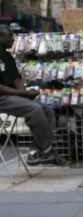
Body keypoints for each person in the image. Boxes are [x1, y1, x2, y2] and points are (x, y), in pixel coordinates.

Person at [0, 25, 65, 166]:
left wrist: (25, 93)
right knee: (34, 109)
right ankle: (48, 149)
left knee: (48, 111)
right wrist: (22, 93)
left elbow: (16, 79)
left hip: (13, 96)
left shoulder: (7, 57)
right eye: (9, 36)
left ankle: (34, 152)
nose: (13, 39)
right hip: (2, 98)